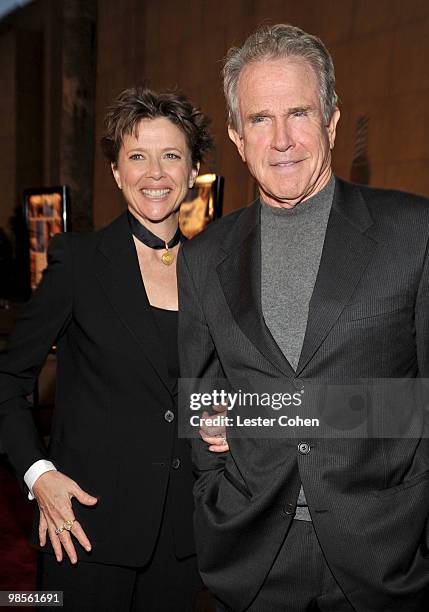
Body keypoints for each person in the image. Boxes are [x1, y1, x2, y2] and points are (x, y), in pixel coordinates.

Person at [178, 24, 429, 612]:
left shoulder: (413, 233)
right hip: (251, 559)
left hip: (385, 559)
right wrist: (211, 446)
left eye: (300, 112)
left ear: (333, 121)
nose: (283, 139)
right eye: (261, 119)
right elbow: (197, 395)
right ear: (238, 138)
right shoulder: (203, 257)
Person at [0, 87, 219, 611]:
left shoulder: (215, 272)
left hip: (182, 541)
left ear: (192, 173)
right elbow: (7, 383)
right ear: (117, 172)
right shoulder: (78, 262)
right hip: (81, 528)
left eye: (171, 156)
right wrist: (39, 475)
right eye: (137, 157)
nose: (155, 173)